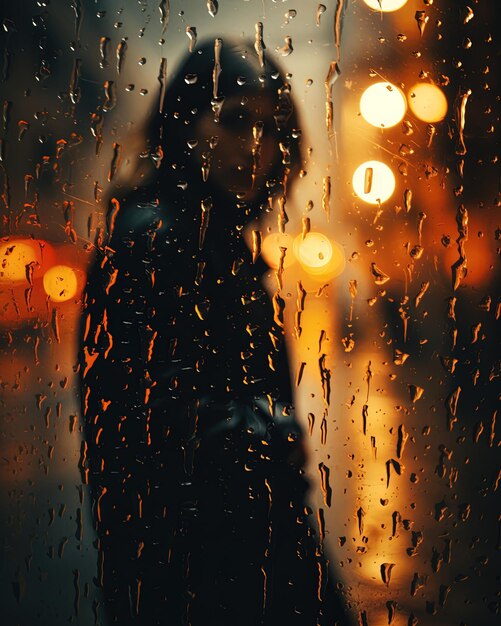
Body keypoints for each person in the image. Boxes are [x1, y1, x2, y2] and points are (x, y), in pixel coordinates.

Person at [79, 39, 350, 626]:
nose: (257, 146)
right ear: (185, 125)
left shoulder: (224, 248)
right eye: (234, 121)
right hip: (201, 583)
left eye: (273, 128)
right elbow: (151, 441)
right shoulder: (159, 244)